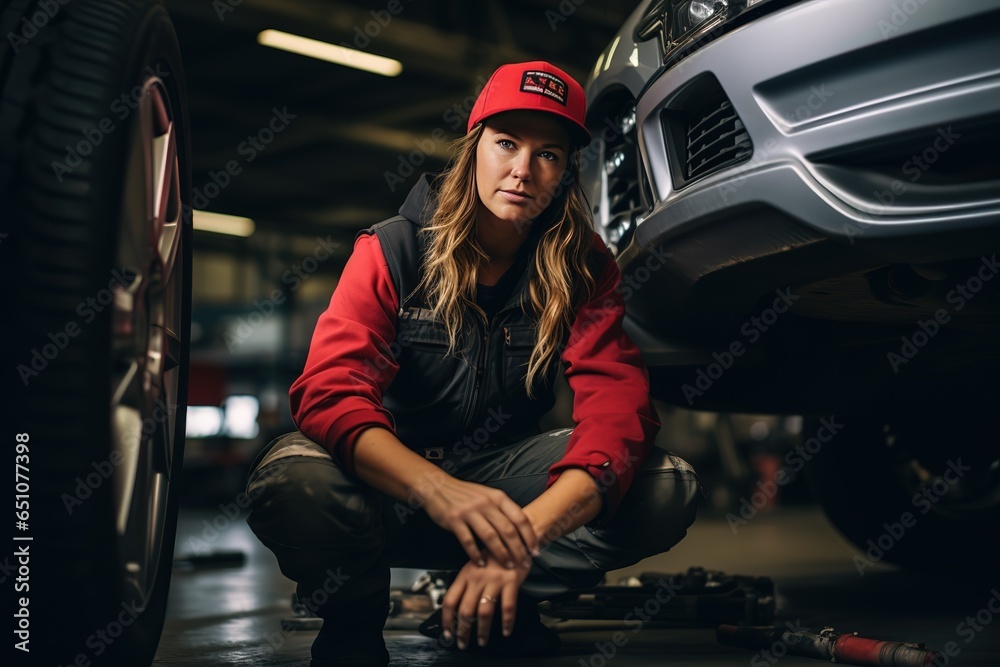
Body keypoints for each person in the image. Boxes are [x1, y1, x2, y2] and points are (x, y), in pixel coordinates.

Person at [245, 60, 699, 667]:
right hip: (386, 488)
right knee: (294, 478)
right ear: (474, 147)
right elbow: (330, 392)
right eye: (506, 143)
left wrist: (524, 538)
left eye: (549, 155)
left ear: (566, 173)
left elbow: (619, 407)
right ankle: (352, 620)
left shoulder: (584, 270)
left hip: (503, 494)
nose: (522, 170)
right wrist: (437, 488)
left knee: (665, 486)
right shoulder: (392, 250)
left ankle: (492, 604)